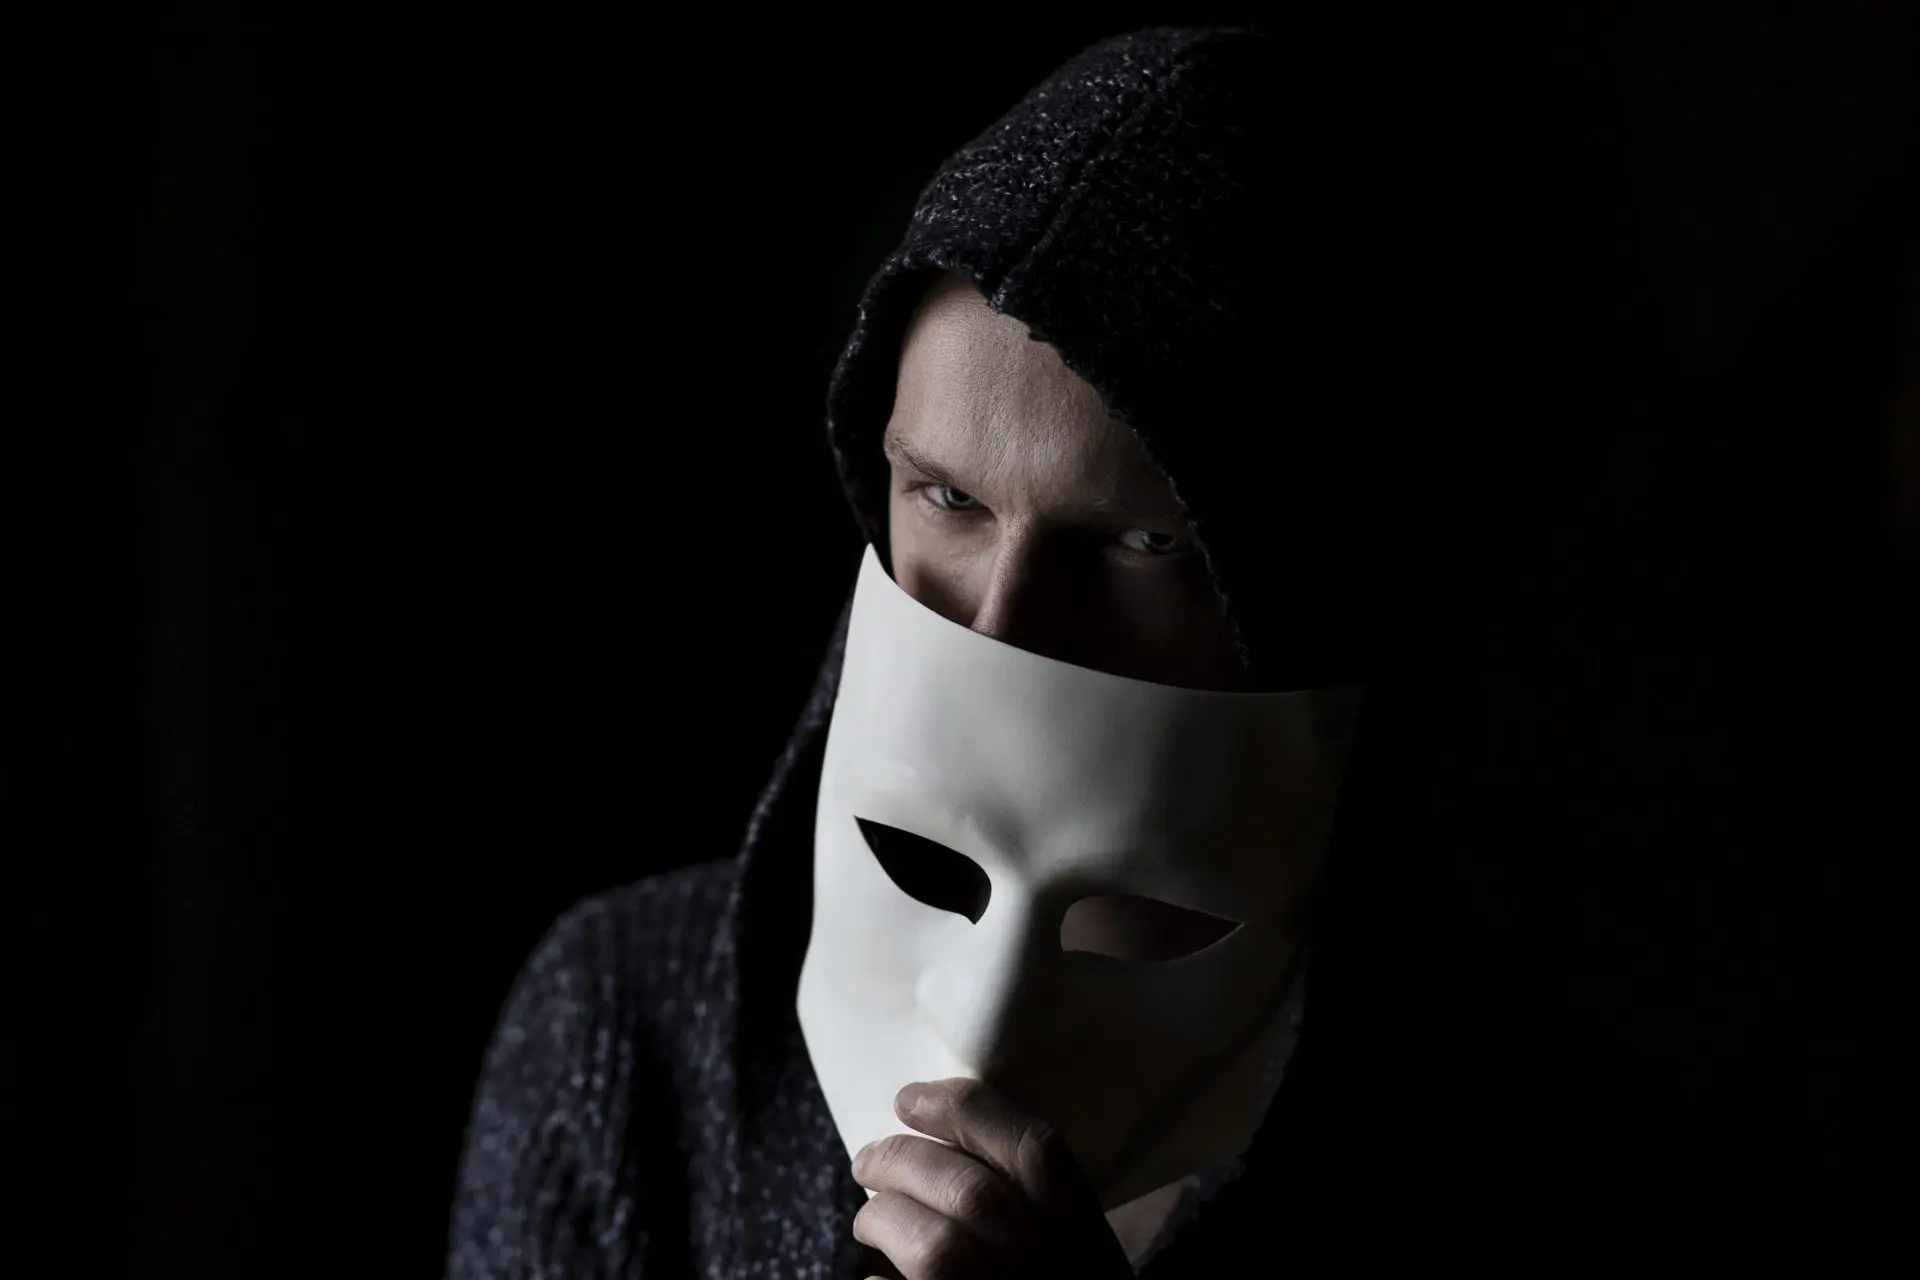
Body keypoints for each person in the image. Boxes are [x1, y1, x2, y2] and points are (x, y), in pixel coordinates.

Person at [446, 27, 1790, 1278]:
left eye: (1141, 545)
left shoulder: (1608, 1197)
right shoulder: (623, 1040)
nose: (1001, 627)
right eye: (948, 497)